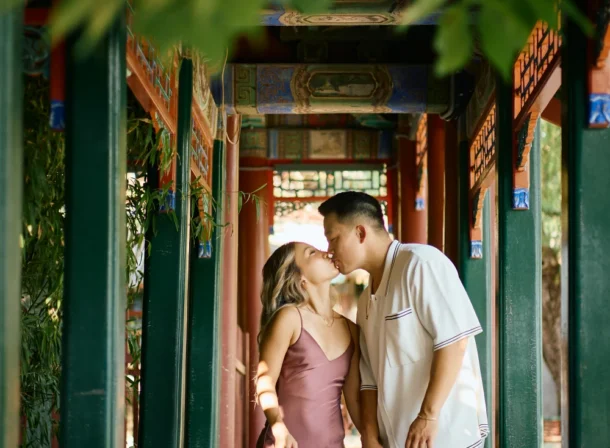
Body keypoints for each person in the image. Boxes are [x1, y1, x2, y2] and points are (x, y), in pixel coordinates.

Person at [319, 191, 488, 448]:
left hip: (445, 436)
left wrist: (428, 415)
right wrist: (370, 436)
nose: (329, 251)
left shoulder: (421, 263)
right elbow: (370, 380)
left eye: (333, 239)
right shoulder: (365, 301)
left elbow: (454, 341)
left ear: (360, 233)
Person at [255, 242, 362, 448]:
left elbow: (353, 399)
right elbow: (264, 381)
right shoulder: (289, 318)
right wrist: (278, 426)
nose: (326, 252)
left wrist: (370, 438)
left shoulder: (351, 329)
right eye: (312, 252)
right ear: (299, 277)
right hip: (285, 443)